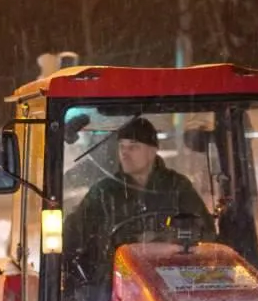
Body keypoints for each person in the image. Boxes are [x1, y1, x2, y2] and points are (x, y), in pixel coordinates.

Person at [63, 115, 216, 286]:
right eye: (122, 147)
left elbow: (205, 232)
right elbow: (72, 235)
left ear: (152, 151)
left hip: (171, 278)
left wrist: (165, 239)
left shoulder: (178, 187)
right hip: (113, 281)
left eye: (133, 147)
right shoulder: (104, 192)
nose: (125, 154)